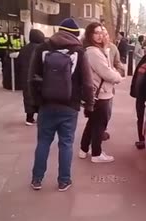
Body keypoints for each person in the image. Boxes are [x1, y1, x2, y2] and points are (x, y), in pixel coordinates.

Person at [28, 18, 94, 191]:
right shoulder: (79, 51)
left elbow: (31, 78)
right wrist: (89, 104)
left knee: (43, 141)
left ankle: (37, 179)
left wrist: (35, 103)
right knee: (66, 143)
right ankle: (64, 181)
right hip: (69, 105)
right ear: (75, 34)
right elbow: (87, 82)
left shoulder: (42, 48)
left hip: (46, 103)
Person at [79, 22, 123, 163]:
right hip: (101, 94)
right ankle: (96, 154)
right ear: (90, 35)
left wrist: (106, 49)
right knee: (99, 124)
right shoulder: (93, 52)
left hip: (97, 93)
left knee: (92, 123)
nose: (100, 36)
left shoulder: (96, 50)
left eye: (101, 33)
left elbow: (107, 67)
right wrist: (118, 77)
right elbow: (107, 73)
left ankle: (83, 149)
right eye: (96, 33)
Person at [17, 29, 45, 126]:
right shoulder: (41, 48)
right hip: (38, 76)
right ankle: (41, 117)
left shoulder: (24, 49)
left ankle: (29, 118)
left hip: (25, 76)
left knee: (28, 96)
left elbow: (18, 63)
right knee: (40, 96)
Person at [102, 26, 125, 141]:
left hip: (109, 85)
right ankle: (96, 135)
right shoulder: (92, 49)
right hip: (96, 87)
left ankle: (102, 129)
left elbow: (118, 63)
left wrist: (120, 71)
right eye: (101, 34)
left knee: (107, 112)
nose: (104, 37)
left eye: (106, 34)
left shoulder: (113, 48)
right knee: (95, 115)